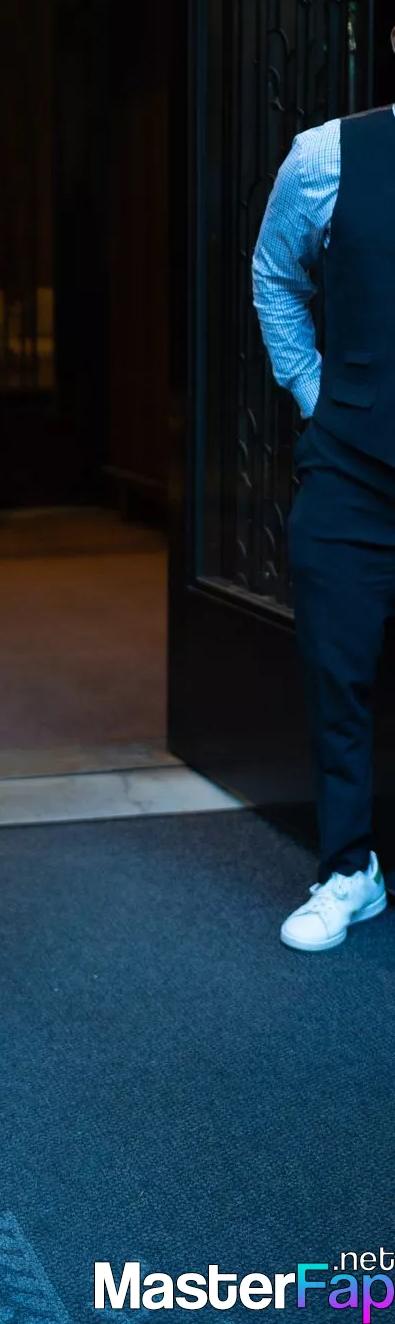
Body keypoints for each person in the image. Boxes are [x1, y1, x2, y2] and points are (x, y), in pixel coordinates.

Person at [253, 77, 395, 952]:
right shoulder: (328, 154)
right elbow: (275, 276)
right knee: (338, 674)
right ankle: (349, 871)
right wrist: (316, 397)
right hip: (354, 470)